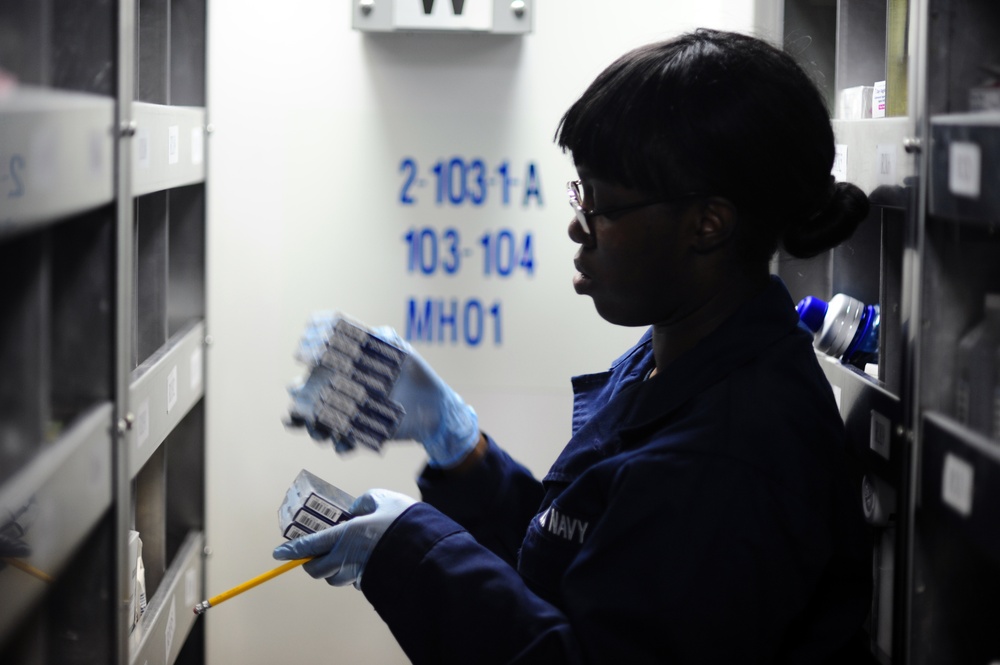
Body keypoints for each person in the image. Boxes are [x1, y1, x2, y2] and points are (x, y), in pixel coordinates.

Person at [275, 28, 874, 664]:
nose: (576, 224)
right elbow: (576, 563)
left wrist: (408, 551)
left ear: (708, 224)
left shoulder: (731, 459)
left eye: (601, 202)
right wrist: (460, 449)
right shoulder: (679, 358)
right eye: (579, 192)